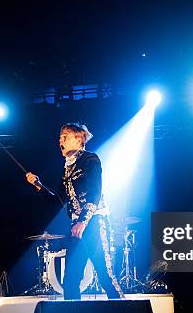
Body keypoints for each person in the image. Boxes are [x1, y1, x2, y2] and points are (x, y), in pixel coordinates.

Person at [26, 123, 124, 300]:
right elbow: (58, 201)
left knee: (105, 274)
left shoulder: (90, 160)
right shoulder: (67, 169)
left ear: (78, 139)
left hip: (94, 222)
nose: (60, 140)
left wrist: (83, 221)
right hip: (76, 227)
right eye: (59, 137)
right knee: (70, 279)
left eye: (65, 136)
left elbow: (95, 192)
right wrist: (38, 186)